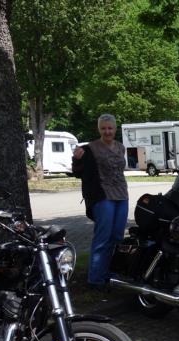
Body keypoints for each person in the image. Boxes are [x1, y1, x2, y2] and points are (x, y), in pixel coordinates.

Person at [72, 114, 129, 291]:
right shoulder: (90, 148)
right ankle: (96, 279)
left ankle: (110, 273)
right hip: (102, 196)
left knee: (117, 237)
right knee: (103, 237)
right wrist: (76, 159)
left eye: (110, 128)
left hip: (121, 195)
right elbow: (78, 171)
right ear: (99, 129)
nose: (107, 131)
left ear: (115, 129)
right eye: (103, 128)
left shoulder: (120, 147)